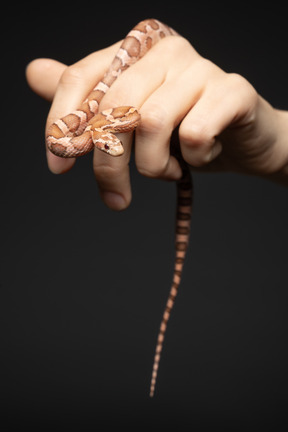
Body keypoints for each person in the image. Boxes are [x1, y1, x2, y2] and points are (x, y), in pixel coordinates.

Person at [26, 33, 288, 211]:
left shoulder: (111, 124)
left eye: (109, 145)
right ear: (99, 139)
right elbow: (60, 139)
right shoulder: (93, 130)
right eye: (108, 146)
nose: (113, 149)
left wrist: (278, 142)